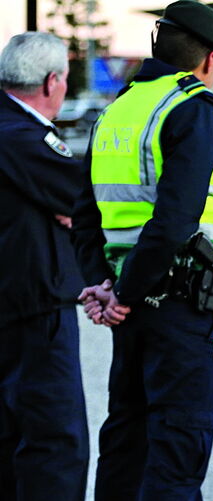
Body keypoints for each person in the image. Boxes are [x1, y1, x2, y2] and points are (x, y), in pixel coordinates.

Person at [73, 0, 213, 501]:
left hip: (131, 306)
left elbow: (85, 214)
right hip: (179, 305)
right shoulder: (193, 108)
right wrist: (121, 293)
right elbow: (174, 222)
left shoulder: (117, 110)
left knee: (126, 442)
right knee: (176, 452)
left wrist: (105, 285)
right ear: (210, 58)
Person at [0, 32, 89, 501]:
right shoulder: (24, 137)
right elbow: (83, 197)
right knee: (55, 443)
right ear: (54, 81)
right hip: (33, 311)